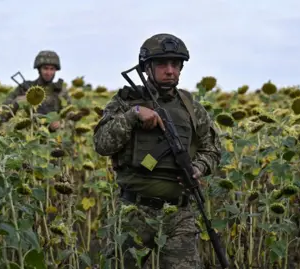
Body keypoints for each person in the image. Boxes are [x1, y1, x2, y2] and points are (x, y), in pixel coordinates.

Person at [93, 33, 222, 268]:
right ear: (146, 68)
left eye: (175, 64)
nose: (170, 70)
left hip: (179, 214)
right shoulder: (125, 102)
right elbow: (102, 144)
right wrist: (133, 116)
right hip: (135, 212)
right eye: (162, 63)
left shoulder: (192, 108)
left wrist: (198, 167)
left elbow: (212, 149)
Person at [0, 50, 71, 121]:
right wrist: (17, 102)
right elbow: (3, 113)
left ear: (56, 70)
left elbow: (69, 115)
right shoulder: (25, 87)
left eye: (52, 69)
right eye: (45, 68)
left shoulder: (61, 91)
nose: (48, 73)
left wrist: (60, 123)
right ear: (39, 69)